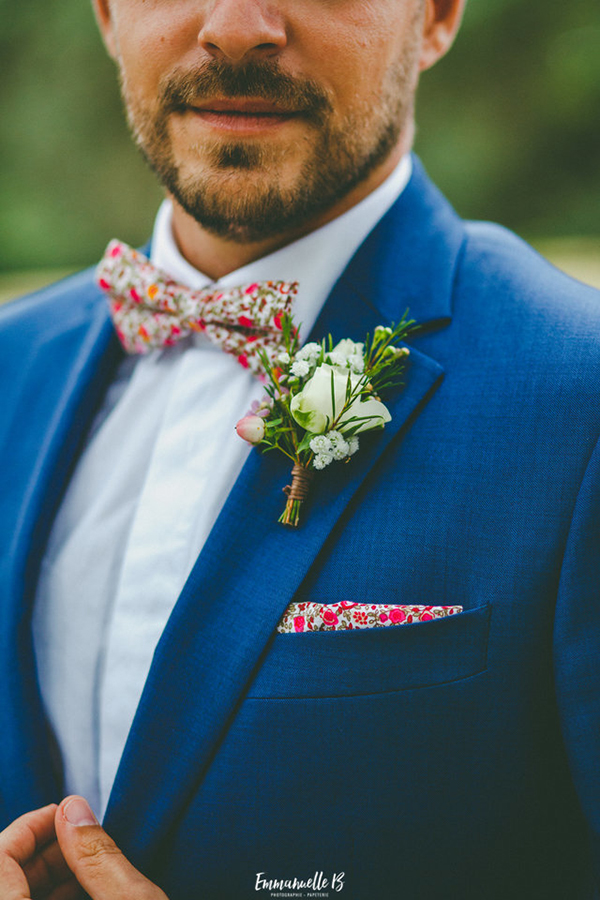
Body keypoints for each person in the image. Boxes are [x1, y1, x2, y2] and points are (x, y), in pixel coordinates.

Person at [0, 0, 599, 897]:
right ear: (105, 10)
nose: (238, 25)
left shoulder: (577, 401)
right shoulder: (12, 369)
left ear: (435, 17)